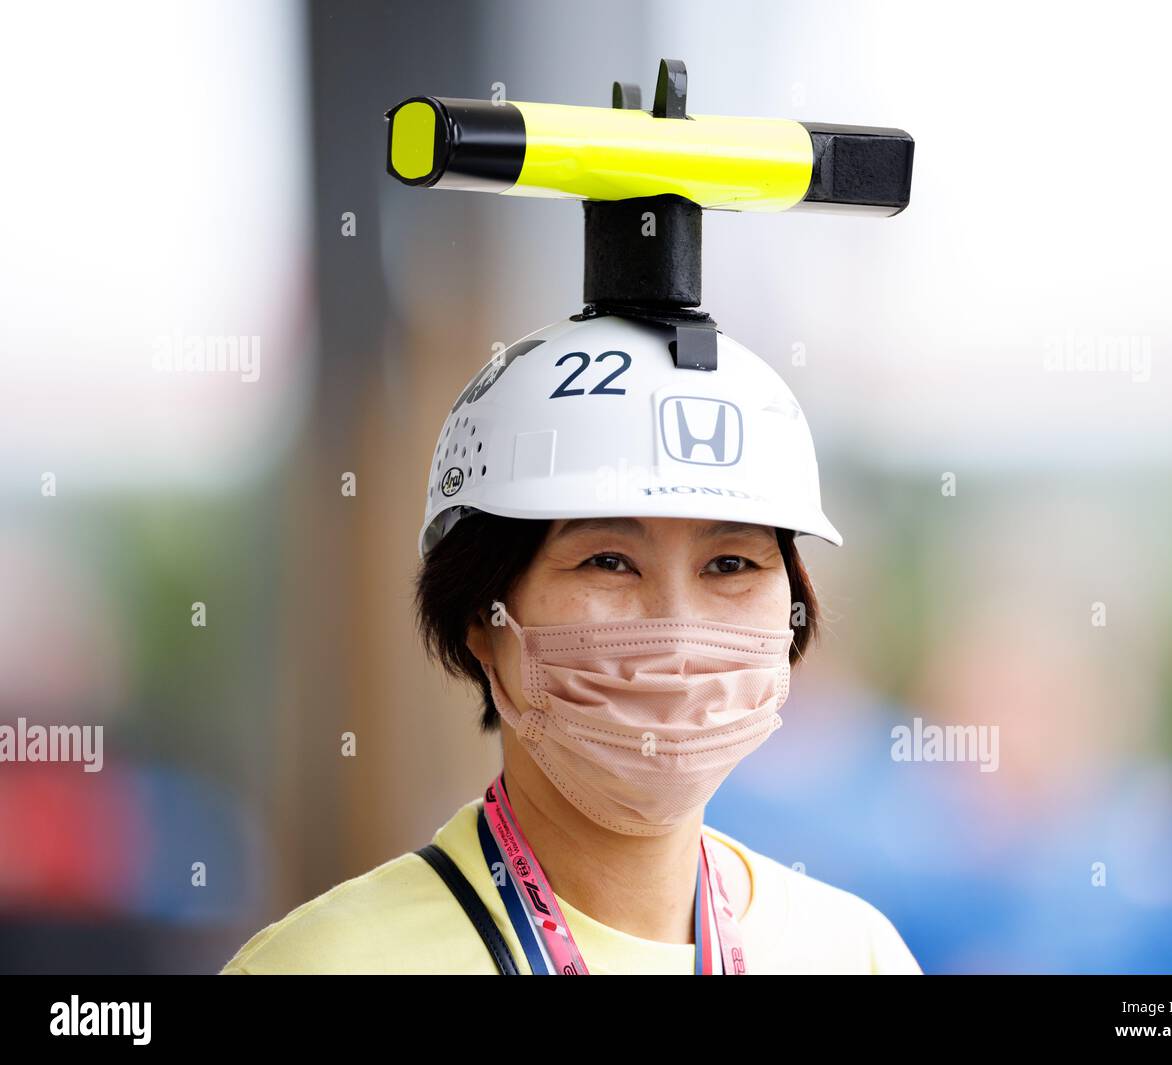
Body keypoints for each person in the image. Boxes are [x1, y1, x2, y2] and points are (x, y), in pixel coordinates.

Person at [220, 315, 922, 974]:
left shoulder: (853, 952)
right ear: (482, 618)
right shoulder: (330, 964)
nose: (674, 630)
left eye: (730, 564)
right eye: (608, 561)